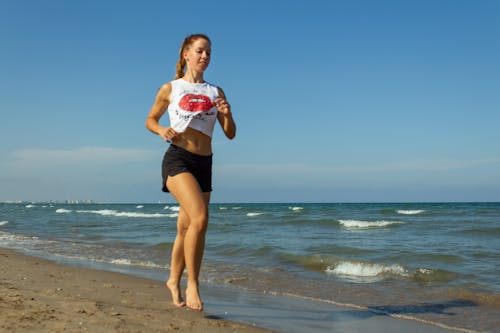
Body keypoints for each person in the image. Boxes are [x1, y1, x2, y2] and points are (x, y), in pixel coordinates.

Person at [145, 34, 236, 311]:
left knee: (186, 228)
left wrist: (227, 114)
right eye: (200, 51)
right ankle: (193, 283)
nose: (205, 56)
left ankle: (173, 280)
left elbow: (230, 134)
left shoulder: (216, 91)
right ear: (186, 54)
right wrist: (162, 130)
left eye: (208, 52)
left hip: (204, 164)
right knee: (200, 218)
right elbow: (150, 119)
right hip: (178, 160)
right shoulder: (170, 88)